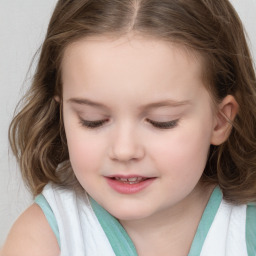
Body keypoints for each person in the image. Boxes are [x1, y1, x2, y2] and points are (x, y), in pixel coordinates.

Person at [1, 0, 256, 255]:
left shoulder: (246, 228)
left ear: (220, 120)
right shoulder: (43, 238)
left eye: (161, 121)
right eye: (93, 120)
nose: (124, 150)